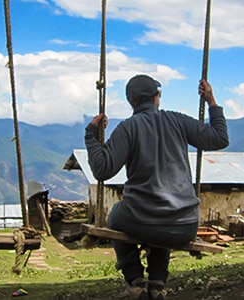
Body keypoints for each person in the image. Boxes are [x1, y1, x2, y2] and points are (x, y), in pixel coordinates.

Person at [84, 74, 229, 300]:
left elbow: (102, 170)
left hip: (140, 220)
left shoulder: (127, 128)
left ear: (131, 101)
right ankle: (158, 283)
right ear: (156, 97)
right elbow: (220, 138)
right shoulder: (178, 121)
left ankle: (135, 281)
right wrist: (211, 100)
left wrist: (91, 136)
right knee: (164, 219)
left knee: (116, 216)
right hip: (185, 225)